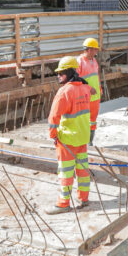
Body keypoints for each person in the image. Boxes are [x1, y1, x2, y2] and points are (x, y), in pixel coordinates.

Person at [43, 56, 92, 214]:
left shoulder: (64, 92)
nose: (58, 76)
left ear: (70, 73)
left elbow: (53, 117)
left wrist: (53, 136)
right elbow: (92, 94)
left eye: (61, 73)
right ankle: (84, 198)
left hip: (68, 139)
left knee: (66, 173)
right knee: (83, 170)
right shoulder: (85, 88)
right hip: (83, 137)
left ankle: (63, 204)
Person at [77, 38, 101, 144]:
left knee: (93, 120)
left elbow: (96, 76)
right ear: (90, 50)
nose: (97, 52)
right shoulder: (79, 62)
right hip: (84, 97)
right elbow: (76, 80)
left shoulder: (94, 61)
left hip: (95, 97)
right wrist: (89, 88)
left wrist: (100, 88)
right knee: (83, 120)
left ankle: (89, 142)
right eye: (95, 49)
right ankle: (83, 141)